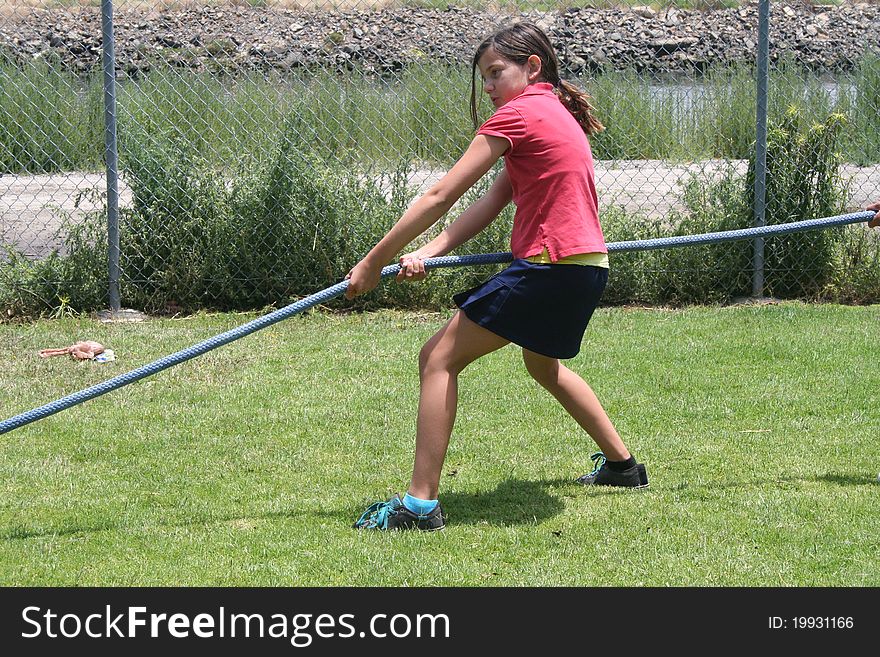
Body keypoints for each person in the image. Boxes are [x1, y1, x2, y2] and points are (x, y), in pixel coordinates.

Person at [345, 22, 647, 532]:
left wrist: (374, 260)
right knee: (543, 367)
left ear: (532, 67)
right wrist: (429, 251)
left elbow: (440, 195)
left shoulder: (521, 113)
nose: (487, 88)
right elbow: (492, 201)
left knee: (437, 358)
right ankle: (623, 467)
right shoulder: (554, 113)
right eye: (483, 78)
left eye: (494, 73)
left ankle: (419, 507)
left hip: (550, 268)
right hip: (586, 269)